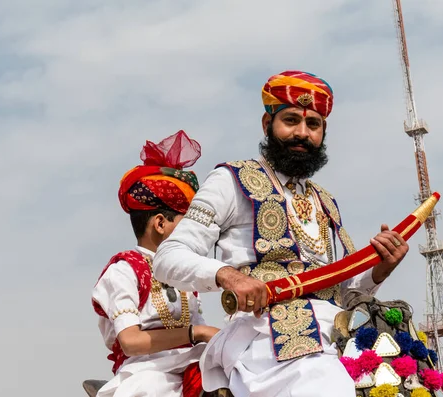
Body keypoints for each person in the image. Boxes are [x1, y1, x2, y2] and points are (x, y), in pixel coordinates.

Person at [153, 71, 410, 396]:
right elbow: (168, 258)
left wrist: (380, 269)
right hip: (266, 335)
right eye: (291, 120)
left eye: (313, 125)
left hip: (337, 333)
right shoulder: (231, 180)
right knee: (322, 384)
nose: (302, 133)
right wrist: (229, 276)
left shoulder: (325, 201)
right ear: (267, 123)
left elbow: (340, 293)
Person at [91, 131, 220, 397]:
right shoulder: (124, 270)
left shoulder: (184, 275)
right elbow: (131, 341)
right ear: (160, 223)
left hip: (193, 367)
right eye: (187, 225)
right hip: (149, 376)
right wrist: (197, 332)